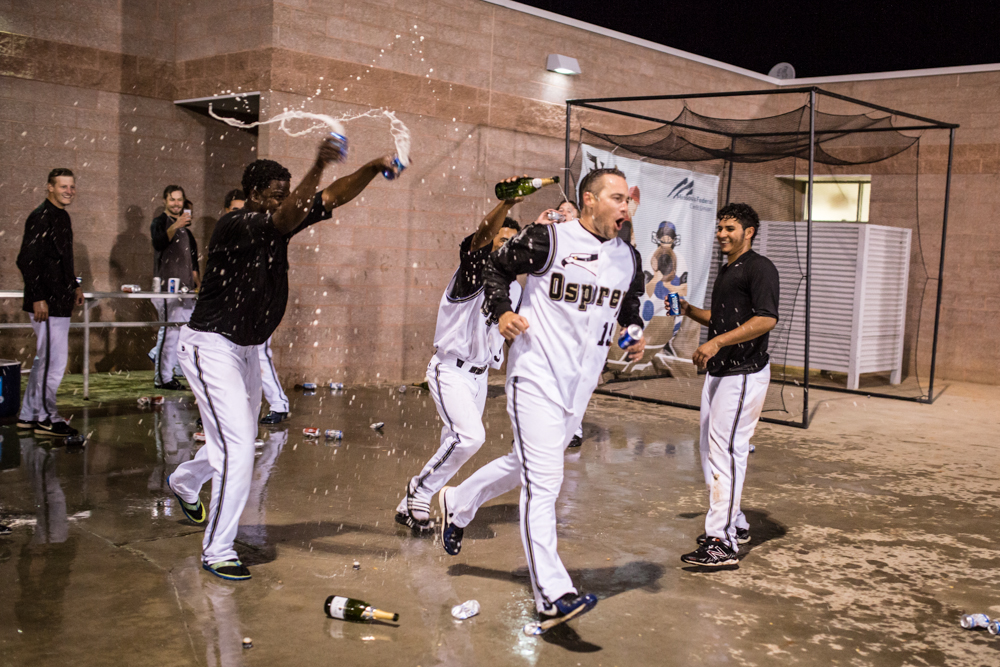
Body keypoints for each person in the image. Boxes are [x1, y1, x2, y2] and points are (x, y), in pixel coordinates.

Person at [165, 137, 403, 581]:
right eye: (276, 193)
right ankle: (217, 549)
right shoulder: (236, 224)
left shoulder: (277, 219)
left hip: (247, 349)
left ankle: (184, 481)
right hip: (210, 347)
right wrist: (316, 164)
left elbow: (331, 197)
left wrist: (371, 166)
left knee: (233, 441)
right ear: (254, 194)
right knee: (238, 448)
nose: (286, 201)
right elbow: (290, 212)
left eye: (285, 192)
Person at [437, 167, 645, 626]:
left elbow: (629, 307)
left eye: (627, 199)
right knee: (544, 484)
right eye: (615, 198)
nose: (625, 206)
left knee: (524, 463)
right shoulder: (547, 240)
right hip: (535, 376)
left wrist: (634, 332)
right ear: (589, 201)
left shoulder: (628, 257)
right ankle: (552, 593)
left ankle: (461, 500)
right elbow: (494, 266)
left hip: (579, 387)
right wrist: (503, 312)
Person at [393, 179, 528, 533]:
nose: (506, 246)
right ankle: (418, 492)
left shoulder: (513, 286)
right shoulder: (474, 271)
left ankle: (408, 507)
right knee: (470, 438)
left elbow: (512, 332)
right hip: (450, 369)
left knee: (453, 441)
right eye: (502, 240)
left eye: (512, 242)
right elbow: (482, 236)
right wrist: (506, 205)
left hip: (480, 376)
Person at [676, 203, 778, 567]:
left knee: (727, 453)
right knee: (709, 450)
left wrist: (717, 342)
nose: (722, 233)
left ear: (748, 232)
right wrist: (691, 311)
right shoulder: (728, 269)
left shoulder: (760, 268)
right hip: (720, 373)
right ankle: (735, 521)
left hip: (744, 373)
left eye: (730, 228)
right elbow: (721, 320)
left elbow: (766, 318)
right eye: (720, 227)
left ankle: (722, 542)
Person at [16, 168, 83, 438]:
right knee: (53, 363)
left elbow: (63, 258)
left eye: (72, 186)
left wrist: (74, 285)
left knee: (47, 362)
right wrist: (38, 297)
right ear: (50, 188)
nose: (68, 191)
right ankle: (46, 418)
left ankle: (28, 416)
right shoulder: (40, 218)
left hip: (60, 301)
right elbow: (26, 259)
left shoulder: (62, 217)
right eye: (63, 186)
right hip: (46, 304)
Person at [150, 186, 200, 391]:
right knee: (170, 331)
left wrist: (197, 281)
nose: (176, 204)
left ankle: (169, 366)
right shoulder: (160, 222)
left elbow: (193, 261)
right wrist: (176, 224)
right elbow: (159, 242)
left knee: (185, 331)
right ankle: (163, 377)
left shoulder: (187, 232)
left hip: (186, 289)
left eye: (180, 200)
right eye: (172, 200)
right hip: (167, 287)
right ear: (164, 201)